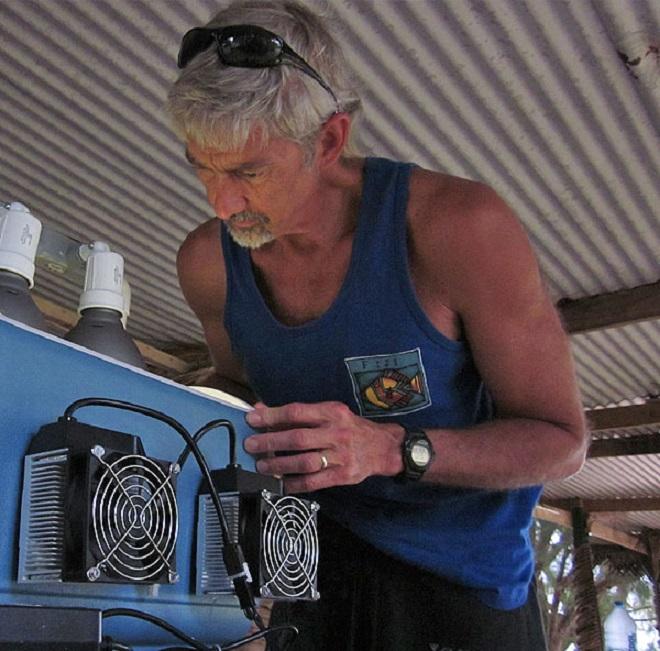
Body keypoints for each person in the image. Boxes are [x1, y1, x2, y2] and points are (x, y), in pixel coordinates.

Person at [167, 2, 588, 649]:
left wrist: (390, 447)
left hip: (464, 579)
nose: (223, 204)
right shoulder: (207, 264)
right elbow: (237, 387)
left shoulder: (457, 228)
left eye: (250, 173)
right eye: (203, 165)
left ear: (330, 140)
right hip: (316, 567)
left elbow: (560, 441)